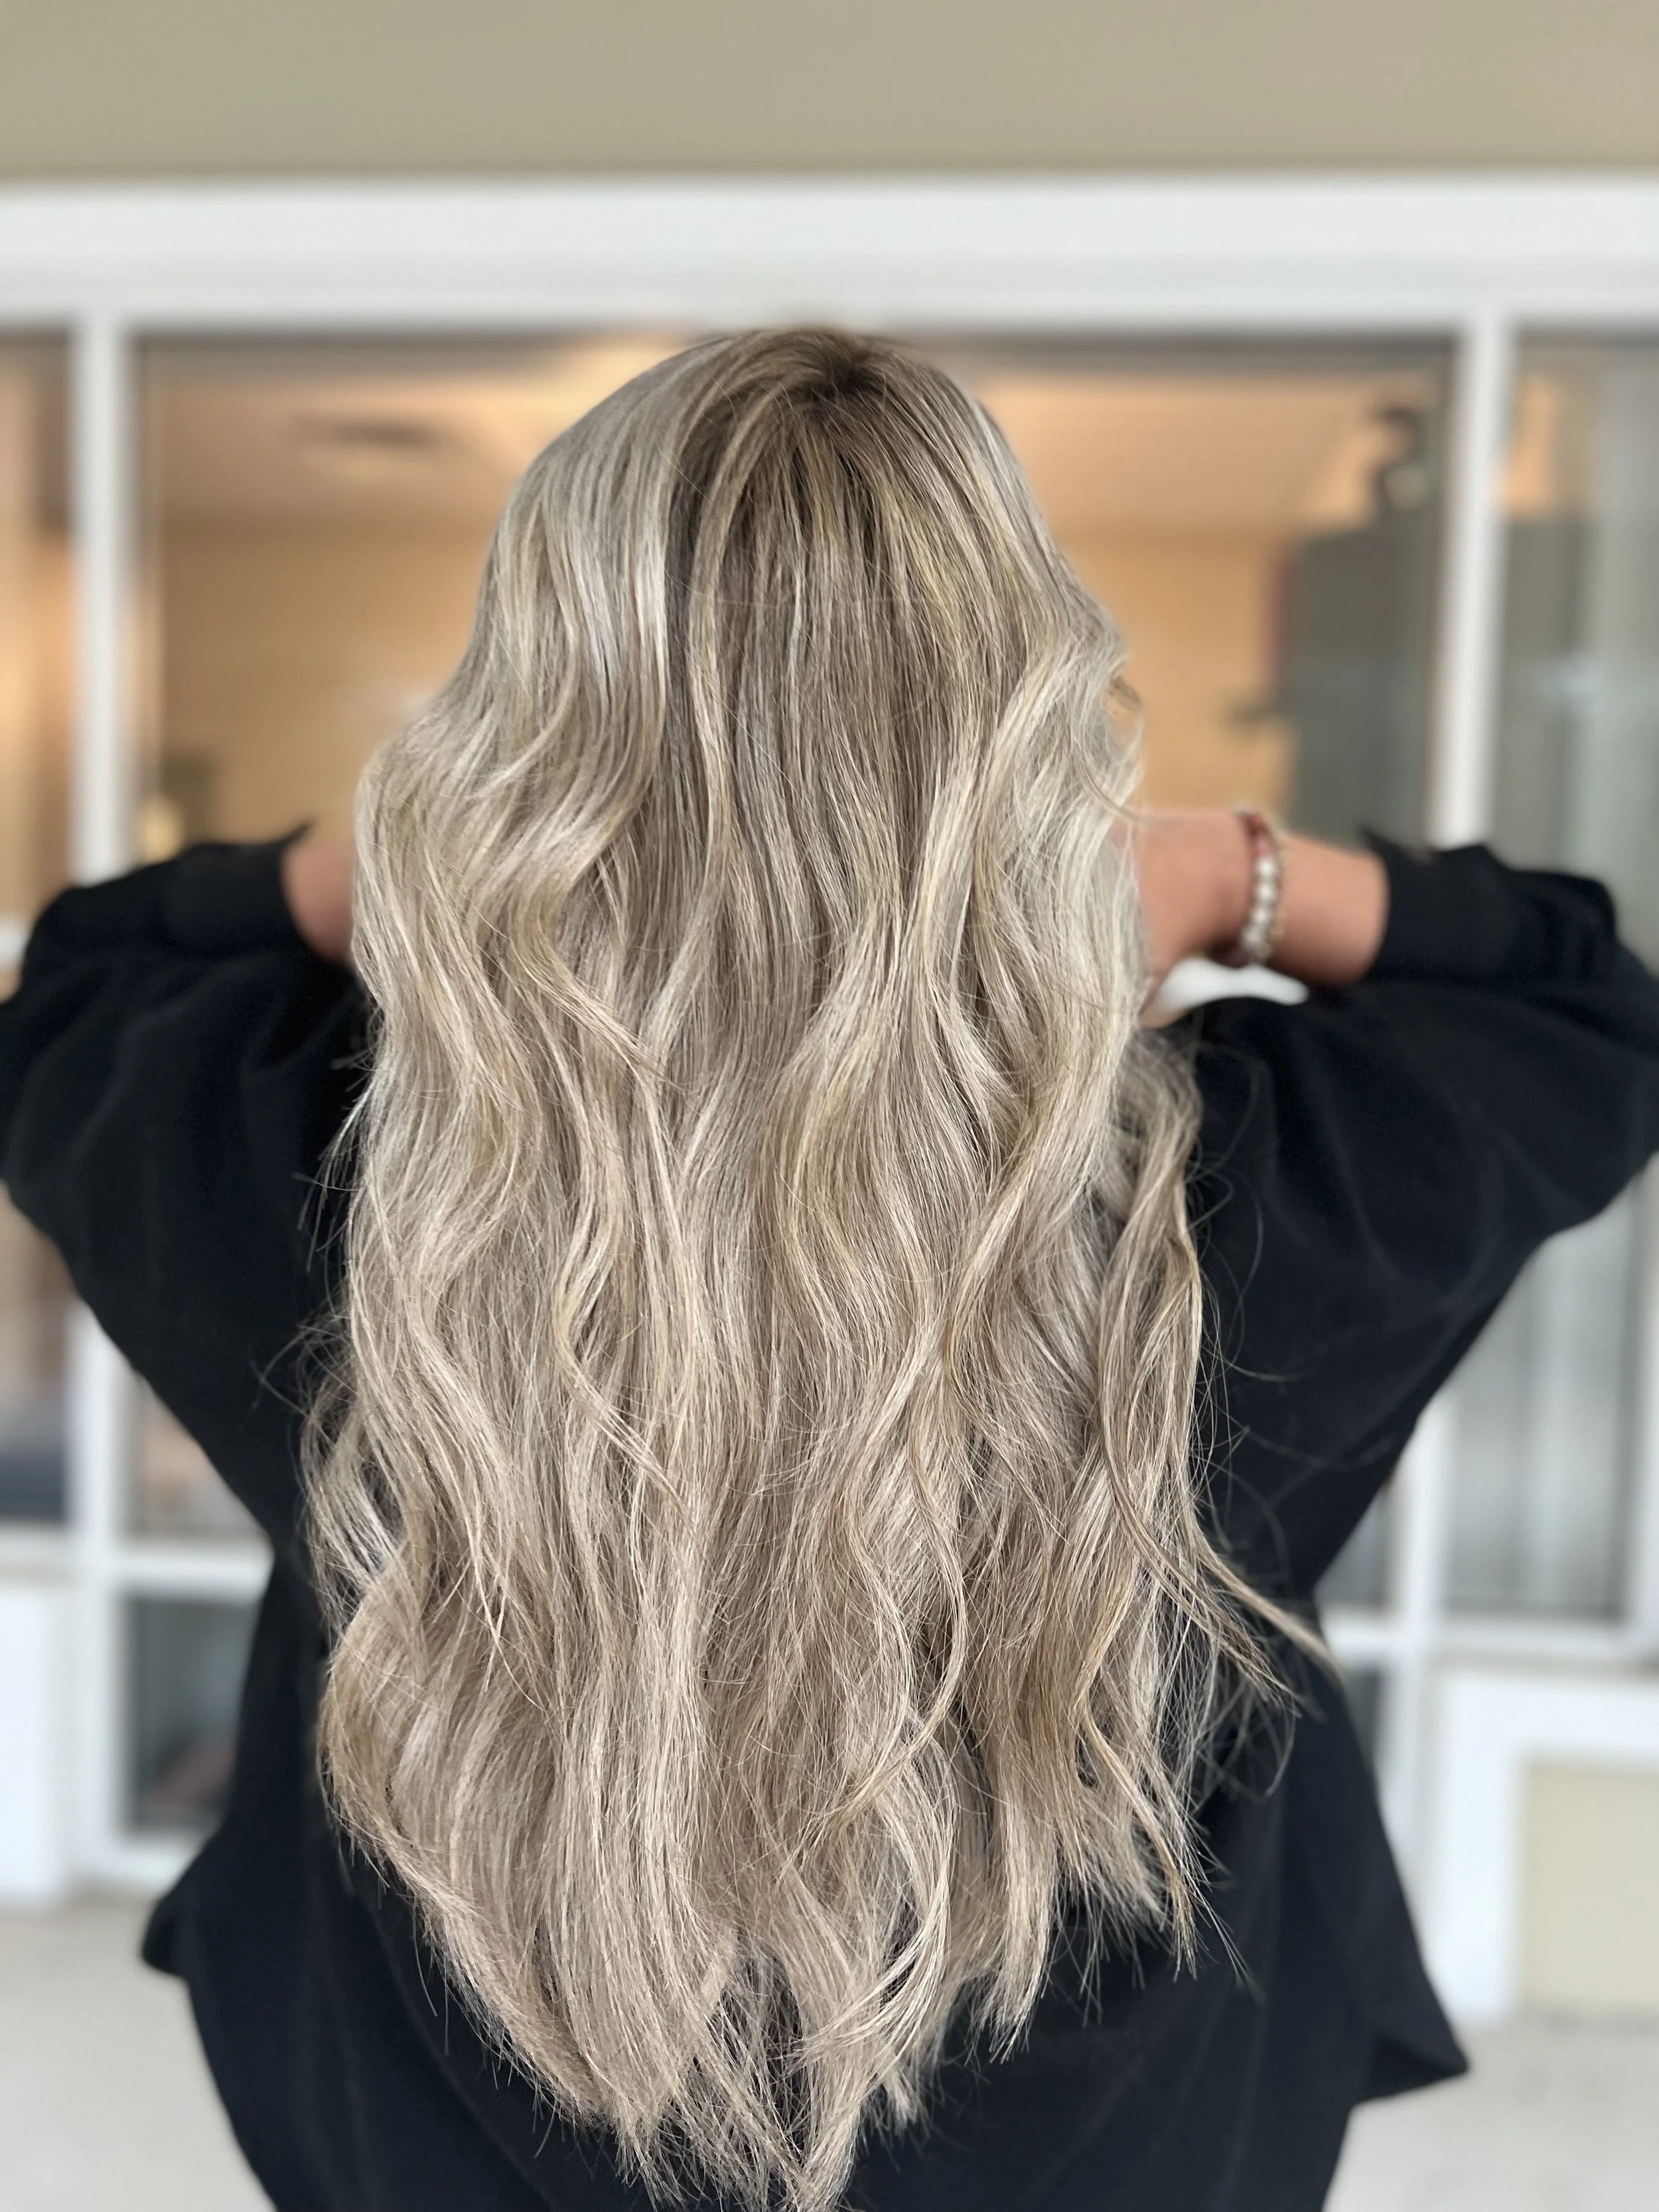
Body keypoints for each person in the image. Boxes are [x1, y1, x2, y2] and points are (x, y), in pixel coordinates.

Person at [3, 328, 1658, 2212]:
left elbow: (88, 962)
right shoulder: (1264, 1201)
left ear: (519, 738)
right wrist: (1215, 874)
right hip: (1108, 2160)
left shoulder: (290, 1164)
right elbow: (1576, 995)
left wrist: (435, 864)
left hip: (441, 2138)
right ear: (1024, 726)